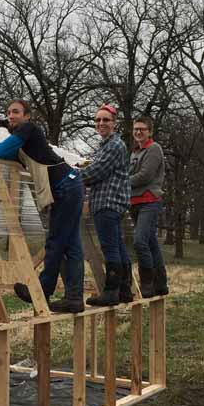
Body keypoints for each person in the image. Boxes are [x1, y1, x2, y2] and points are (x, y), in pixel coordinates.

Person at [0, 99, 86, 313]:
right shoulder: (22, 143)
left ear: (27, 116)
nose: (11, 115)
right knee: (71, 244)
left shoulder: (29, 129)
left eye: (16, 112)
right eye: (8, 113)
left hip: (67, 187)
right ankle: (74, 298)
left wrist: (5, 127)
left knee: (56, 242)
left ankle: (42, 290)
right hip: (70, 186)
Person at [80, 104, 132, 306]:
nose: (101, 123)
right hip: (111, 203)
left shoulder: (114, 146)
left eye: (106, 120)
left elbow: (96, 172)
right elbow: (95, 168)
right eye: (98, 120)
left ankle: (111, 292)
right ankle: (125, 290)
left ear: (114, 123)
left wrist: (70, 177)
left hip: (107, 202)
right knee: (118, 247)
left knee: (109, 248)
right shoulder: (106, 145)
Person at [129, 116, 169, 296]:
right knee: (151, 243)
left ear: (149, 131)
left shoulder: (153, 149)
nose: (138, 132)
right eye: (136, 129)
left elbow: (145, 176)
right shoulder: (135, 152)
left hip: (149, 201)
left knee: (140, 242)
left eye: (142, 129)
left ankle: (147, 284)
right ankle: (161, 284)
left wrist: (121, 182)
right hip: (135, 202)